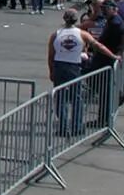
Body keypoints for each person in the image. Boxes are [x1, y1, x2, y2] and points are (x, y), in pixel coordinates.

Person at [48, 8, 119, 136]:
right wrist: (113, 55)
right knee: (77, 98)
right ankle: (76, 126)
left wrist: (51, 71)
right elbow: (99, 46)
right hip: (74, 66)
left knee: (61, 98)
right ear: (76, 20)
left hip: (60, 65)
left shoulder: (55, 35)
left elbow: (51, 56)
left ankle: (63, 127)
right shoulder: (82, 34)